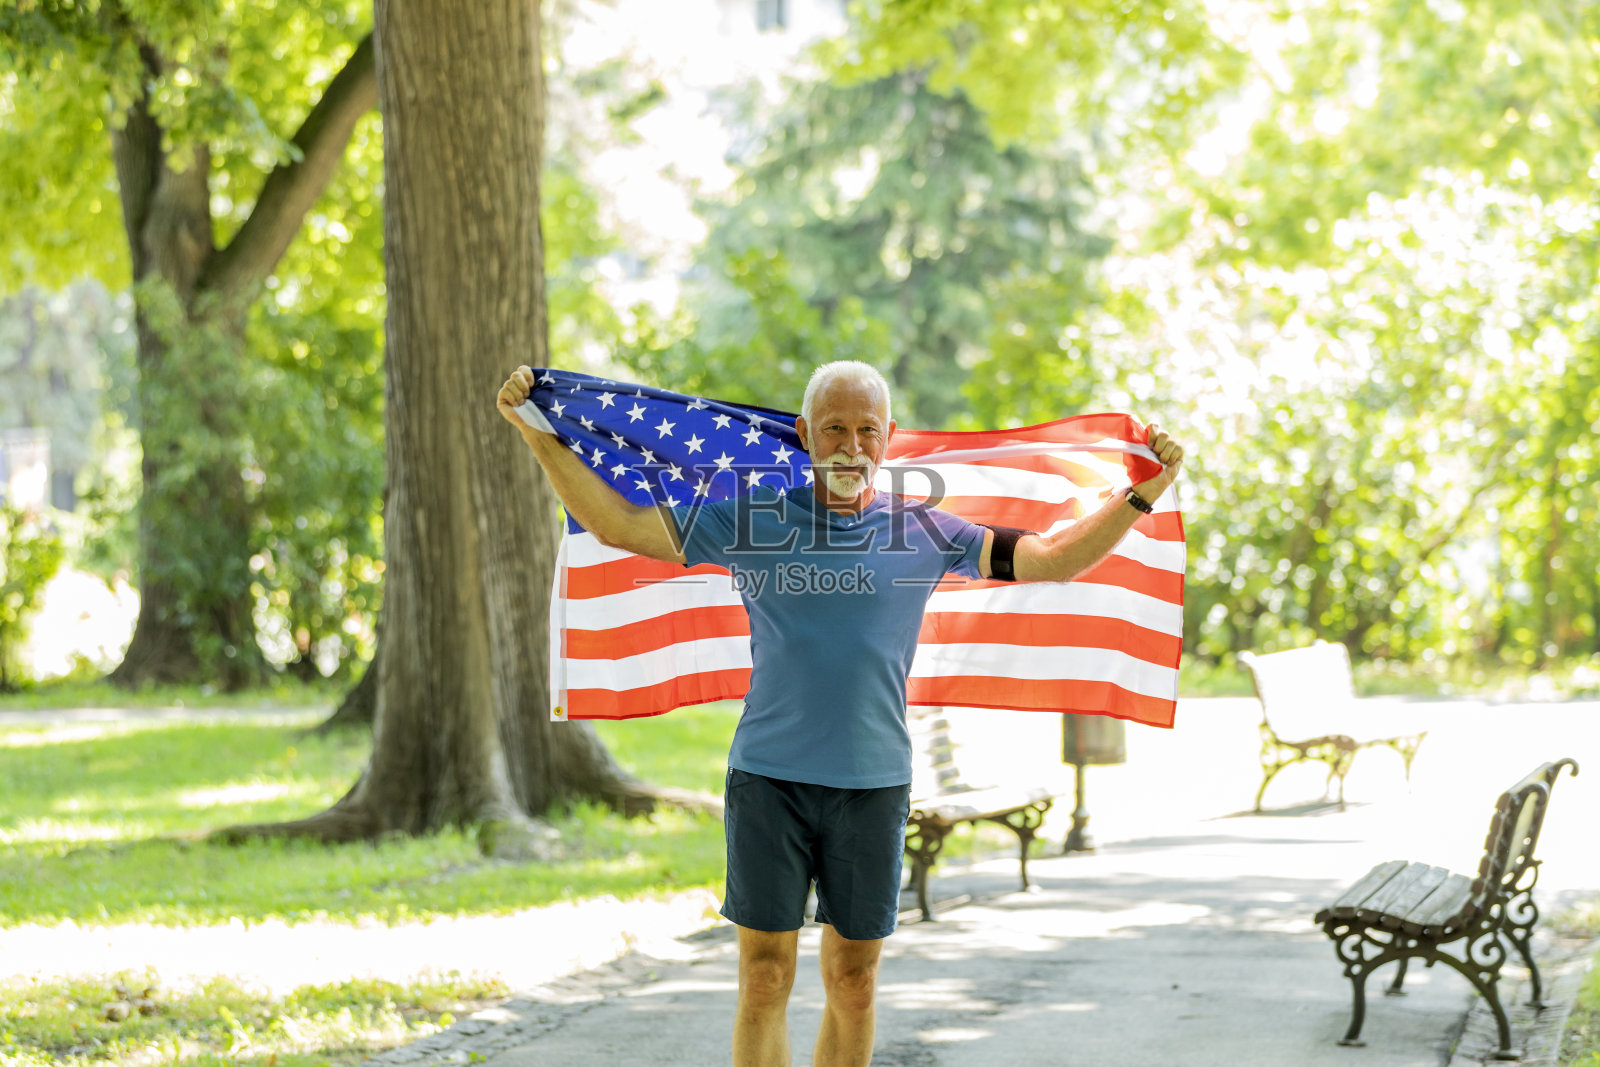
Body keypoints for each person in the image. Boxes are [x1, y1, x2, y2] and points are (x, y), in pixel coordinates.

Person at [497, 360, 1184, 1067]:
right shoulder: (752, 517)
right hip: (769, 780)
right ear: (805, 434)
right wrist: (537, 432)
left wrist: (1143, 494)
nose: (850, 445)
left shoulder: (926, 529)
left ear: (886, 439)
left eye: (865, 430)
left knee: (853, 982)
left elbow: (1051, 559)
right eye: (833, 428)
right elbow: (618, 523)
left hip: (872, 784)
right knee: (764, 977)